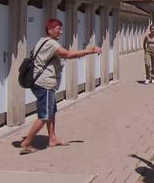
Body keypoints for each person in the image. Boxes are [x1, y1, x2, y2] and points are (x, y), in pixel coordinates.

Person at [20, 18, 101, 154]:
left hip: (46, 84)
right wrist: (90, 50)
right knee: (44, 115)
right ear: (49, 30)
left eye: (61, 29)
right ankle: (27, 142)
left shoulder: (43, 41)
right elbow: (68, 54)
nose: (61, 32)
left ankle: (52, 139)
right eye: (58, 29)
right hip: (44, 84)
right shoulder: (51, 44)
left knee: (51, 112)